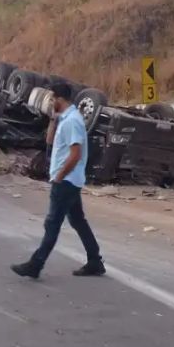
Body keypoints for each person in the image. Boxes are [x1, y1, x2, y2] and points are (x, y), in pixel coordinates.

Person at [10, 83, 104, 279]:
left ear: (60, 99)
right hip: (69, 180)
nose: (51, 102)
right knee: (78, 221)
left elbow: (76, 154)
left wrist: (60, 176)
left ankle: (36, 264)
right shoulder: (64, 119)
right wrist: (53, 119)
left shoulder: (73, 122)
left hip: (66, 181)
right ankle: (95, 261)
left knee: (52, 224)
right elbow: (50, 142)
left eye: (52, 99)